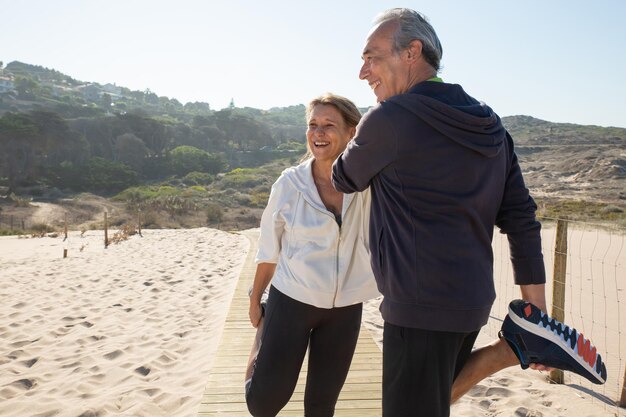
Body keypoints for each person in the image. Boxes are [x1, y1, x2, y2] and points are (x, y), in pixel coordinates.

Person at [331, 8, 603, 417]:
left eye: (372, 56)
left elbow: (344, 178)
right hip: (471, 301)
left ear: (412, 52)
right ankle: (518, 343)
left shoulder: (388, 120)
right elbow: (521, 218)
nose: (362, 72)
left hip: (416, 305)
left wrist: (364, 130)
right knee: (431, 400)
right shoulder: (490, 123)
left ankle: (513, 348)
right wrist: (536, 310)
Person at [245, 93, 380, 417]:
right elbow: (268, 248)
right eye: (312, 125)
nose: (318, 133)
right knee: (264, 403)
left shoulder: (369, 185)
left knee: (321, 405)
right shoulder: (290, 184)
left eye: (328, 125)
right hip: (292, 299)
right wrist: (255, 300)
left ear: (352, 132)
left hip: (345, 307)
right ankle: (258, 353)